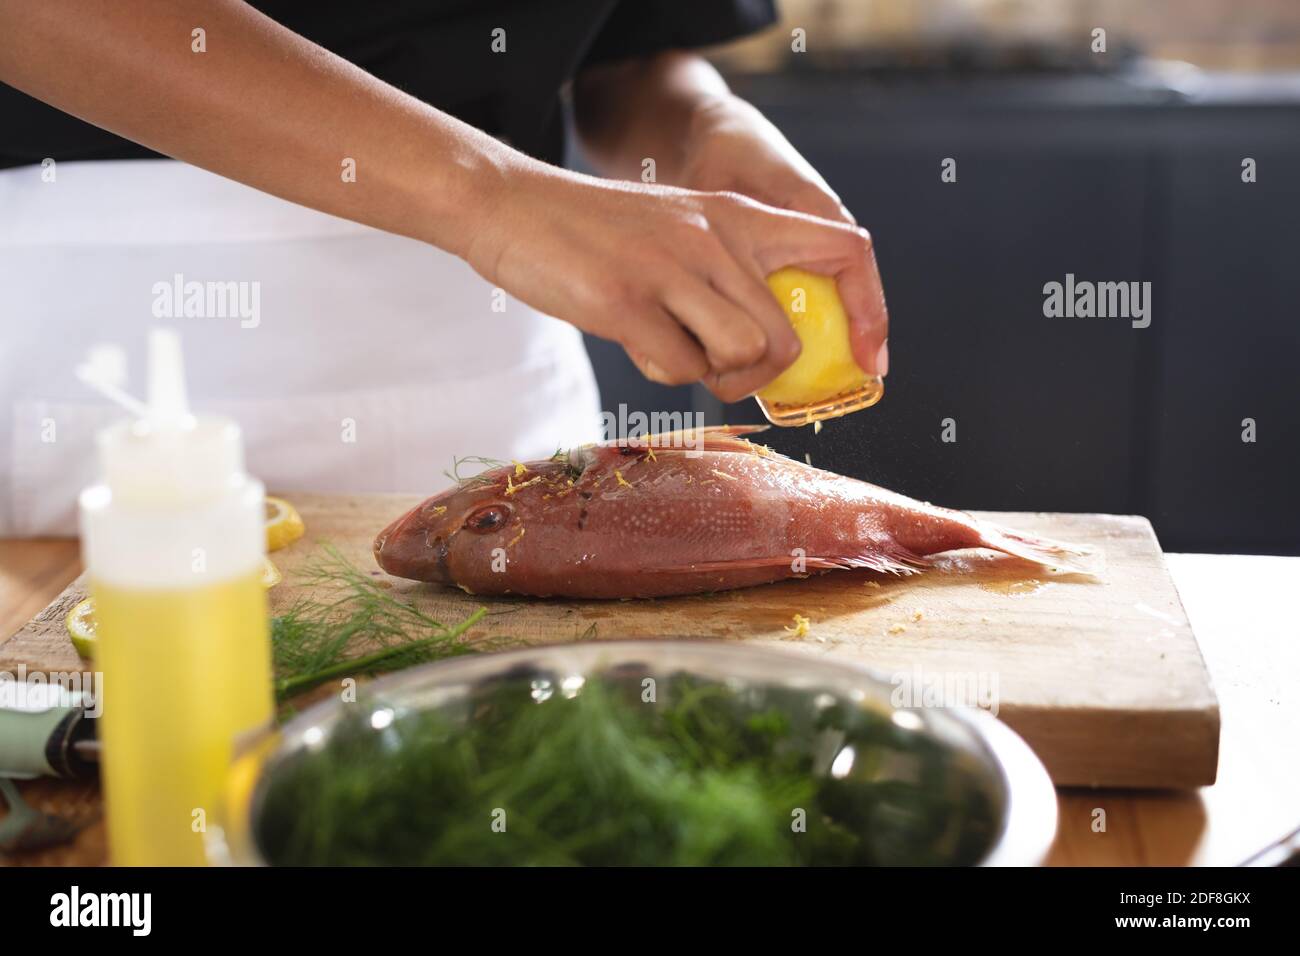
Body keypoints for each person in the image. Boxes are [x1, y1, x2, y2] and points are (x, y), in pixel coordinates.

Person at [0, 0, 888, 536]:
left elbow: (631, 46)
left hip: (498, 399)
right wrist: (489, 199)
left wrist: (698, 126)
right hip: (96, 393)